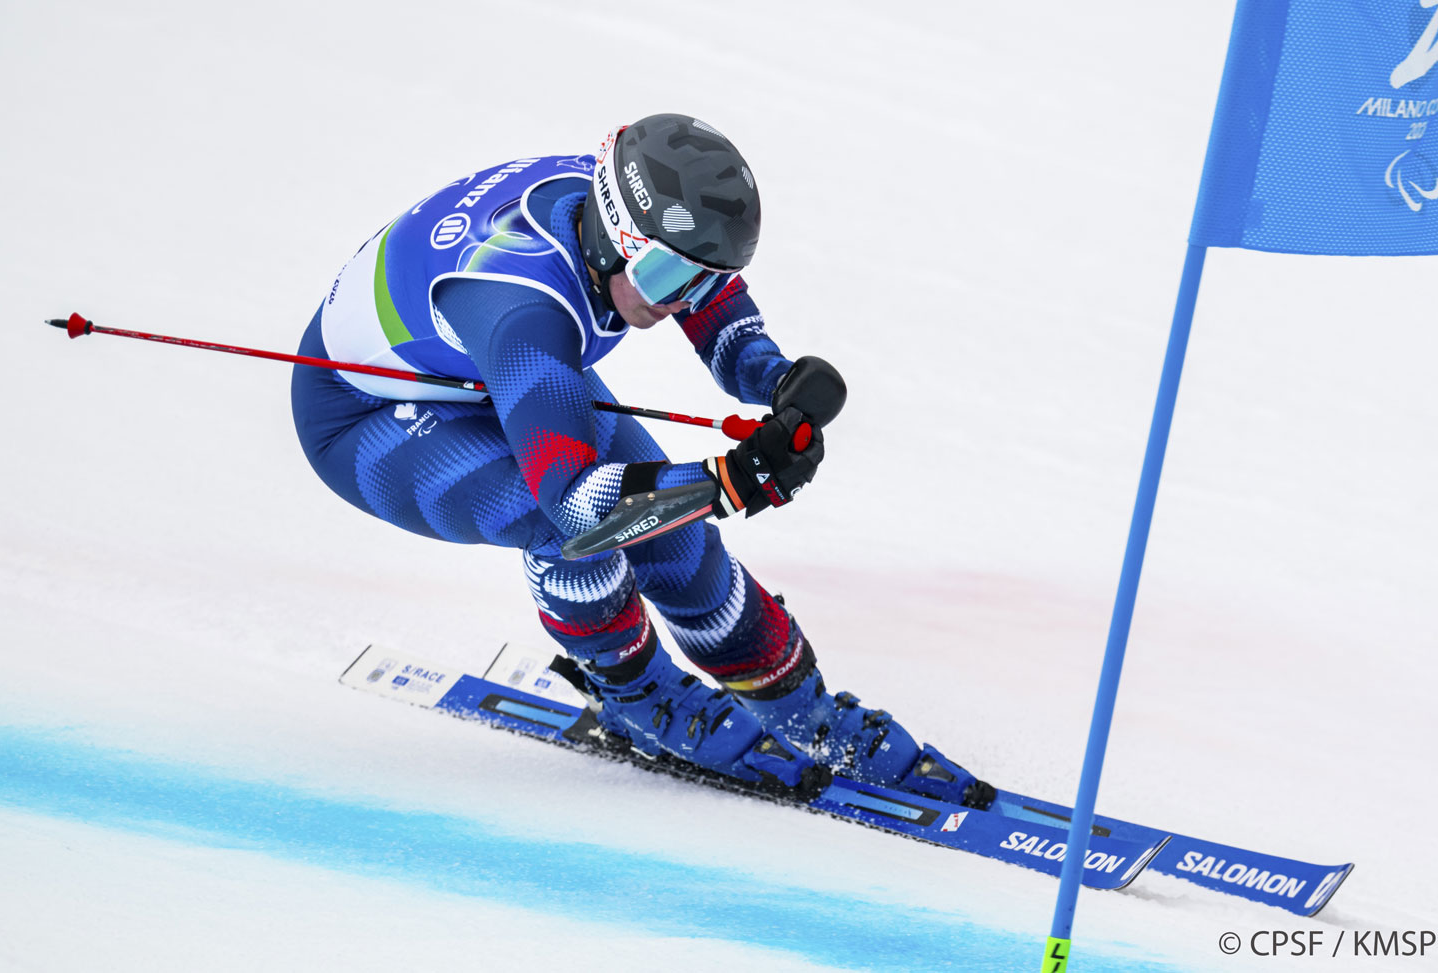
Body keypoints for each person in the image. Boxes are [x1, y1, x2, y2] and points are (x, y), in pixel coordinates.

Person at [290, 113, 994, 808]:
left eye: (702, 279)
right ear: (616, 241)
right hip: (365, 416)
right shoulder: (527, 311)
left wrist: (778, 380)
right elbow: (578, 504)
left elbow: (707, 292)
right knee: (563, 525)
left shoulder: (634, 227)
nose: (680, 299)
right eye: (665, 277)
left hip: (474, 366)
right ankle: (637, 697)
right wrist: (727, 482)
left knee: (676, 540)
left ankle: (805, 714)